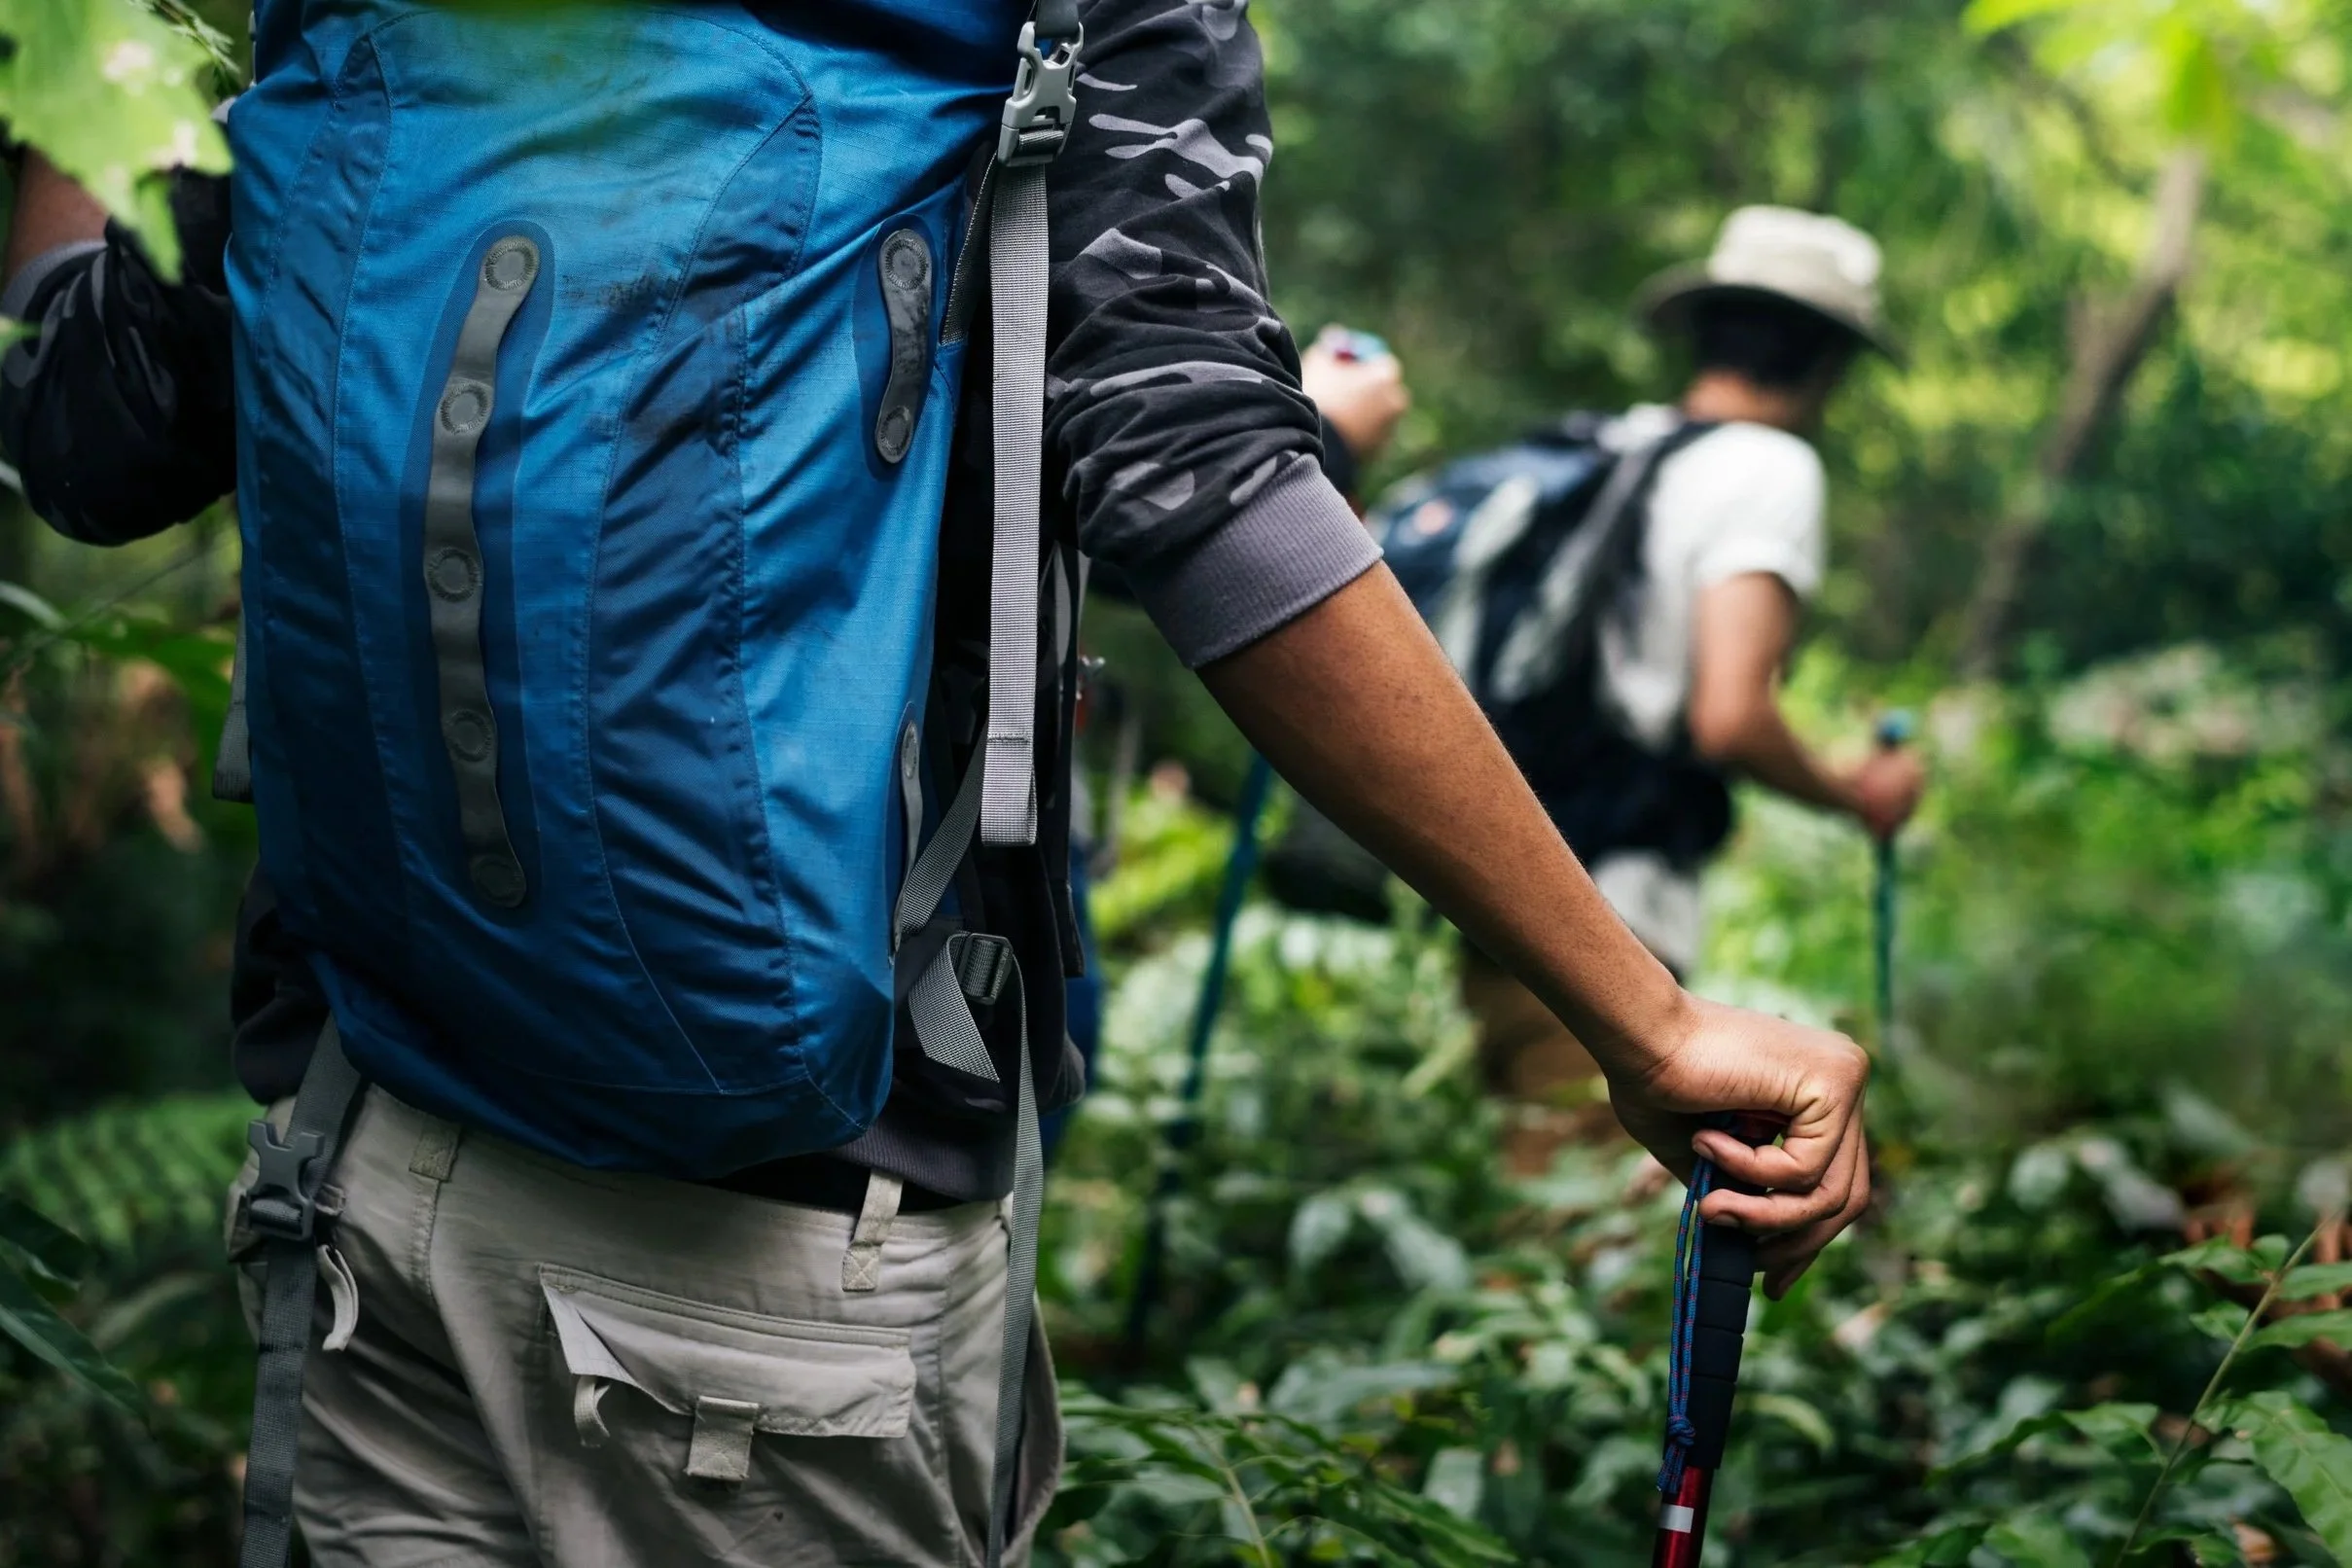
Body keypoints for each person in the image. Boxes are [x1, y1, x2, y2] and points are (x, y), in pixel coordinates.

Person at [4, 34, 1871, 1567]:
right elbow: (1196, 482)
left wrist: (78, 65)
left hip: (369, 1155)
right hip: (778, 1276)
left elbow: (81, 432)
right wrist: (1643, 1010)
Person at [1424, 206, 1929, 1171]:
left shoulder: (1617, 447)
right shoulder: (1771, 469)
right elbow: (1729, 714)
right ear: (1827, 361)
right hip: (1612, 914)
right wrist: (1853, 793)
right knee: (1575, 1235)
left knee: (1529, 1191)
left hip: (1502, 871)